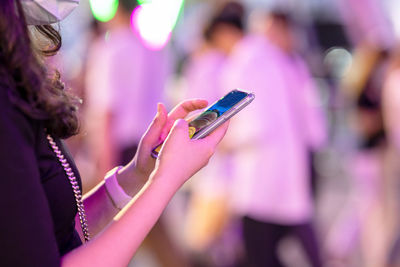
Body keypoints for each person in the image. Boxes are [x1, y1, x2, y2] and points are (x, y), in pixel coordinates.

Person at [0, 1, 229, 266]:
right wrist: (164, 179)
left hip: (133, 146)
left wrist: (136, 173)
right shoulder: (150, 49)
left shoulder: (110, 49)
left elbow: (55, 228)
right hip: (137, 142)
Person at [207, 3, 326, 266]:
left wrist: (221, 142)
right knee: (292, 238)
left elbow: (252, 124)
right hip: (287, 168)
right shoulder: (280, 60)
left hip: (259, 177)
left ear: (225, 33)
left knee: (260, 250)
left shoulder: (241, 64)